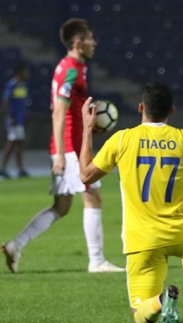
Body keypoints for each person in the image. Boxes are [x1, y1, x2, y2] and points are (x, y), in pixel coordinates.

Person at [78, 82, 183, 323]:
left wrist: (87, 129)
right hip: (180, 235)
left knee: (141, 314)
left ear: (141, 108)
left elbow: (86, 175)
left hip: (143, 241)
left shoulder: (122, 139)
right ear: (171, 111)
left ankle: (161, 301)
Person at [2, 19, 123, 273]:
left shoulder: (71, 66)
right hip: (70, 148)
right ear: (78, 43)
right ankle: (97, 261)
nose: (94, 42)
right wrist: (59, 153)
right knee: (93, 199)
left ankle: (16, 245)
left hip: (70, 144)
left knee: (62, 207)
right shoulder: (71, 69)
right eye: (90, 38)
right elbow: (58, 112)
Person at [0, 63, 30, 178]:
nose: (27, 74)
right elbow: (6, 101)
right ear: (20, 72)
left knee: (19, 143)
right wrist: (10, 117)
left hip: (20, 119)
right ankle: (3, 168)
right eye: (25, 72)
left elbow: (22, 103)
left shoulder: (24, 85)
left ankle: (21, 169)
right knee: (12, 143)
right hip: (13, 119)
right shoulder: (12, 85)